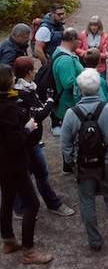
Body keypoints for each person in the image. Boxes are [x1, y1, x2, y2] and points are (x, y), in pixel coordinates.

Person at [61, 69, 108, 252]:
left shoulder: (71, 113)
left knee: (87, 201)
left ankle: (94, 241)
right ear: (98, 86)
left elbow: (65, 144)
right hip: (107, 161)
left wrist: (72, 163)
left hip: (84, 164)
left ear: (79, 89)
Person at [0, 64, 53, 264]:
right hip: (13, 162)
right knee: (32, 203)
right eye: (12, 75)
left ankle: (8, 240)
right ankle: (29, 251)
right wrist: (28, 128)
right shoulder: (7, 108)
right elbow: (16, 141)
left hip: (2, 161)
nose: (15, 77)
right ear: (7, 81)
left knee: (7, 198)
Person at [13, 56, 75, 218]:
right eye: (33, 69)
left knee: (29, 174)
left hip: (31, 141)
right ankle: (49, 204)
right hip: (27, 142)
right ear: (28, 72)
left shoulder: (26, 87)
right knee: (38, 174)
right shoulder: (22, 92)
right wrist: (49, 100)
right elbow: (38, 115)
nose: (34, 71)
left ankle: (21, 207)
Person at [51, 28, 84, 138]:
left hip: (66, 104)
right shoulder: (66, 60)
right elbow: (68, 83)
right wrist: (86, 78)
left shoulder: (59, 51)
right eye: (78, 40)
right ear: (73, 39)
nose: (80, 43)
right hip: (67, 105)